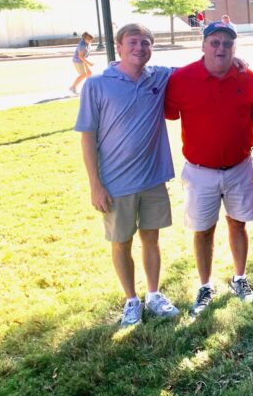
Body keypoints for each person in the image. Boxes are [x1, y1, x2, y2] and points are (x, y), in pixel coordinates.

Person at [75, 24, 179, 326]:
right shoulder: (97, 85)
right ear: (118, 46)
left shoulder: (159, 77)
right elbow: (87, 136)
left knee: (151, 239)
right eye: (133, 42)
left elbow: (198, 70)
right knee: (121, 241)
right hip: (115, 184)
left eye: (146, 43)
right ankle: (131, 300)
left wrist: (237, 61)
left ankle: (154, 294)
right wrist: (95, 185)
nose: (139, 48)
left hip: (153, 178)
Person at [165, 20, 253, 316]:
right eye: (215, 42)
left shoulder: (247, 78)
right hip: (200, 171)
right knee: (203, 229)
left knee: (238, 223)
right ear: (203, 45)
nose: (221, 48)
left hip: (239, 167)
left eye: (227, 44)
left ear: (234, 48)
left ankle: (239, 278)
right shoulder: (182, 78)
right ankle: (205, 285)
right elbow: (168, 111)